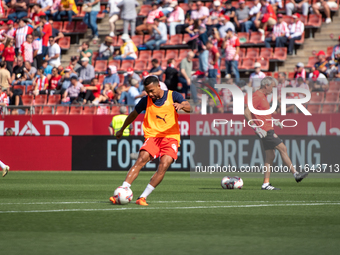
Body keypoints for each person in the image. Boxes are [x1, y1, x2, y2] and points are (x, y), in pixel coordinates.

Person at [109, 76, 191, 206]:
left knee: (164, 164)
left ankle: (142, 197)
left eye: (152, 91)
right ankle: (123, 190)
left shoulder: (173, 95)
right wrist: (121, 129)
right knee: (141, 159)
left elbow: (189, 107)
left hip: (171, 137)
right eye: (147, 91)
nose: (150, 94)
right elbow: (133, 114)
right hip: (153, 136)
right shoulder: (145, 100)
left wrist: (182, 105)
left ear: (158, 85)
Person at [243, 76, 308, 190]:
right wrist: (255, 127)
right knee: (283, 148)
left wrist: (274, 120)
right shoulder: (257, 96)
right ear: (266, 86)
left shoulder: (263, 97)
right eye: (272, 87)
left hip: (267, 128)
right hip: (265, 130)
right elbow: (247, 112)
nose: (273, 90)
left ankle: (265, 184)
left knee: (270, 156)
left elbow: (262, 114)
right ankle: (295, 174)